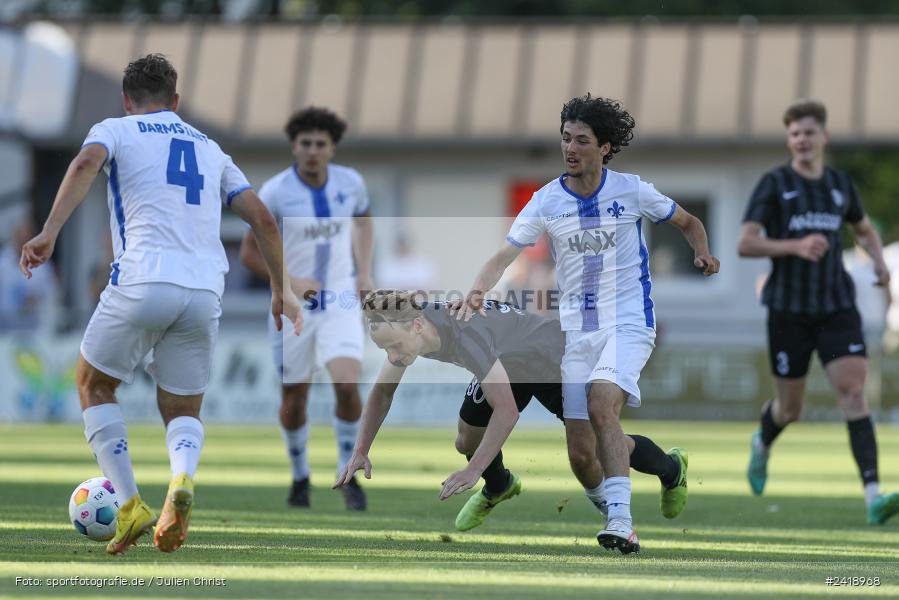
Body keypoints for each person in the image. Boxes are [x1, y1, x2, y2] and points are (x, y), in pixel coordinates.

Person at [19, 54, 302, 555]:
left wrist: (49, 232)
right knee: (181, 406)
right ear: (176, 101)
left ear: (127, 101)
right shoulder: (211, 150)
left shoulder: (117, 129)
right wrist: (280, 289)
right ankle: (182, 478)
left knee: (93, 382)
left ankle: (129, 505)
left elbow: (85, 163)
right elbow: (265, 221)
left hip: (143, 280)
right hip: (203, 292)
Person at [456, 94, 719, 554]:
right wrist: (479, 288)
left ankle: (621, 522)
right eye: (564, 139)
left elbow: (689, 220)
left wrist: (701, 250)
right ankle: (665, 472)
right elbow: (505, 254)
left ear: (605, 148)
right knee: (582, 454)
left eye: (581, 140)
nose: (570, 148)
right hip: (576, 332)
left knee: (602, 407)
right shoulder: (546, 200)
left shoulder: (633, 190)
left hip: (630, 323)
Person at [335, 289, 688, 535]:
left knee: (589, 453)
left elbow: (507, 412)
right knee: (466, 438)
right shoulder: (407, 321)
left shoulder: (465, 335)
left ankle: (670, 468)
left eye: (394, 346)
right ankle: (500, 485)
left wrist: (472, 471)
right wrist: (361, 450)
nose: (393, 356)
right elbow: (382, 392)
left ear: (415, 326)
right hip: (506, 363)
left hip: (554, 362)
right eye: (385, 349)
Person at [738, 99, 899, 525]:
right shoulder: (774, 185)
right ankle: (763, 443)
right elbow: (745, 243)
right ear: (789, 140)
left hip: (835, 306)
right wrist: (793, 245)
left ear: (822, 136)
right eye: (794, 134)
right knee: (791, 409)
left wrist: (880, 263)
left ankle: (873, 497)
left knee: (853, 393)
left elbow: (863, 229)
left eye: (809, 132)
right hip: (788, 310)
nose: (802, 140)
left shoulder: (840, 185)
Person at [239, 107, 374, 511]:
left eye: (320, 144)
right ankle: (300, 475)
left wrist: (364, 272)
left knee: (348, 386)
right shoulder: (276, 191)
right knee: (294, 399)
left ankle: (347, 472)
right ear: (294, 147)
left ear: (332, 148)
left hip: (341, 303)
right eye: (305, 144)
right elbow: (249, 253)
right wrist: (291, 283)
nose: (312, 151)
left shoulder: (351, 183)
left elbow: (365, 222)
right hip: (292, 307)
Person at [0, 218, 57, 333]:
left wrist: (37, 301)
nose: (23, 242)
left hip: (34, 332)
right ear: (14, 237)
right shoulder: (2, 262)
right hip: (4, 333)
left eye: (26, 238)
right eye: (20, 237)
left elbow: (53, 296)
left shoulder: (43, 265)